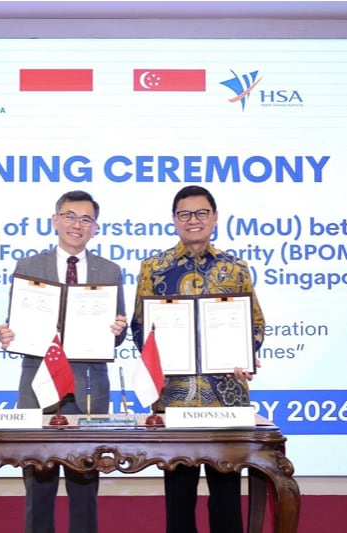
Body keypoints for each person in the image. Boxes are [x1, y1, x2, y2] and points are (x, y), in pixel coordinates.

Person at [131, 185, 265, 533]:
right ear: (174, 220)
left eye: (202, 213)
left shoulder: (235, 268)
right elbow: (139, 326)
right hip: (175, 397)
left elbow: (255, 324)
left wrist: (246, 354)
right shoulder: (153, 268)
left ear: (215, 218)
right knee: (179, 493)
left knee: (226, 491)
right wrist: (156, 356)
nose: (194, 220)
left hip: (226, 397)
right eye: (185, 214)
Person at [0, 190, 127, 533]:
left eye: (86, 219)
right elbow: (17, 324)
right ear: (55, 220)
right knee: (38, 479)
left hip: (88, 384)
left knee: (85, 480)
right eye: (69, 216)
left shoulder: (110, 271)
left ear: (95, 228)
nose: (76, 224)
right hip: (38, 382)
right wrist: (8, 334)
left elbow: (119, 333)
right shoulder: (28, 267)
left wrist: (118, 329)